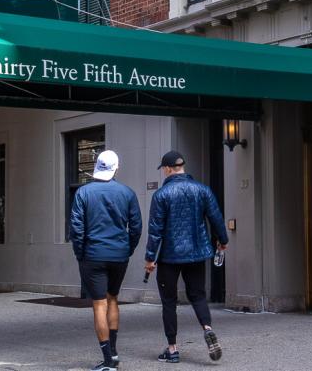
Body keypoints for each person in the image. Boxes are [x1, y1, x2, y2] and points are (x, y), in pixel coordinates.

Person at [144, 151, 228, 364]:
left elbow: (155, 230)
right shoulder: (202, 190)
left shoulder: (161, 195)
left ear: (169, 168)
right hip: (197, 253)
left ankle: (172, 349)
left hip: (169, 257)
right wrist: (223, 240)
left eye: (163, 168)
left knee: (169, 302)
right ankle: (207, 329)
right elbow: (216, 217)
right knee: (198, 295)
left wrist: (150, 258)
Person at [70, 150, 143, 371]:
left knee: (99, 304)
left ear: (96, 166)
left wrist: (80, 253)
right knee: (113, 300)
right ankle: (114, 351)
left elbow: (76, 228)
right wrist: (127, 249)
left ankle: (108, 359)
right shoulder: (127, 193)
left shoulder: (83, 193)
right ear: (116, 168)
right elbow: (136, 227)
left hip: (92, 255)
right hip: (119, 255)